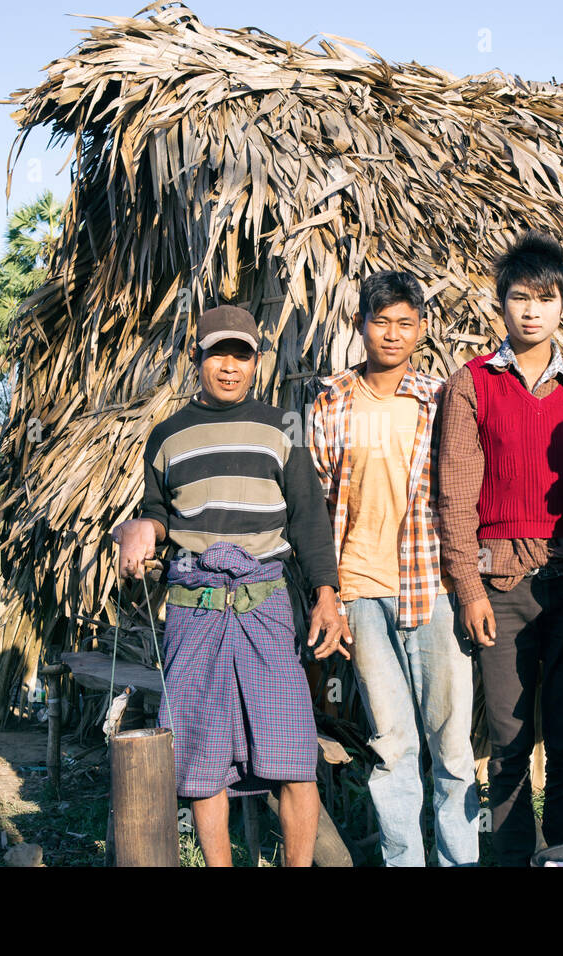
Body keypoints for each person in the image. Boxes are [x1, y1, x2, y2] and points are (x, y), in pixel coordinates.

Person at [112, 304, 348, 867]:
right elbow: (157, 515)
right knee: (200, 754)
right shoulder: (167, 435)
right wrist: (143, 528)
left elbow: (309, 519)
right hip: (194, 610)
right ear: (197, 358)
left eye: (241, 355)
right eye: (217, 353)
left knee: (291, 750)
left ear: (256, 362)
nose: (229, 366)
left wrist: (325, 594)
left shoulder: (279, 427)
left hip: (266, 606)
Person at [437, 231, 563, 865]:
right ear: (500, 305)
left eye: (546, 297)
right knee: (508, 741)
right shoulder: (472, 384)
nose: (532, 310)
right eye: (519, 297)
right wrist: (469, 589)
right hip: (499, 587)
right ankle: (509, 858)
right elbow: (454, 496)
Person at [309, 270, 479, 867]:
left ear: (422, 330)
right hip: (360, 589)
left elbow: (463, 491)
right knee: (392, 746)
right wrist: (329, 592)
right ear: (361, 326)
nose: (392, 333)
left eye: (405, 323)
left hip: (431, 587)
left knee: (453, 747)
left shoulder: (441, 398)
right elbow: (319, 501)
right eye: (381, 321)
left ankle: (460, 861)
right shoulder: (331, 399)